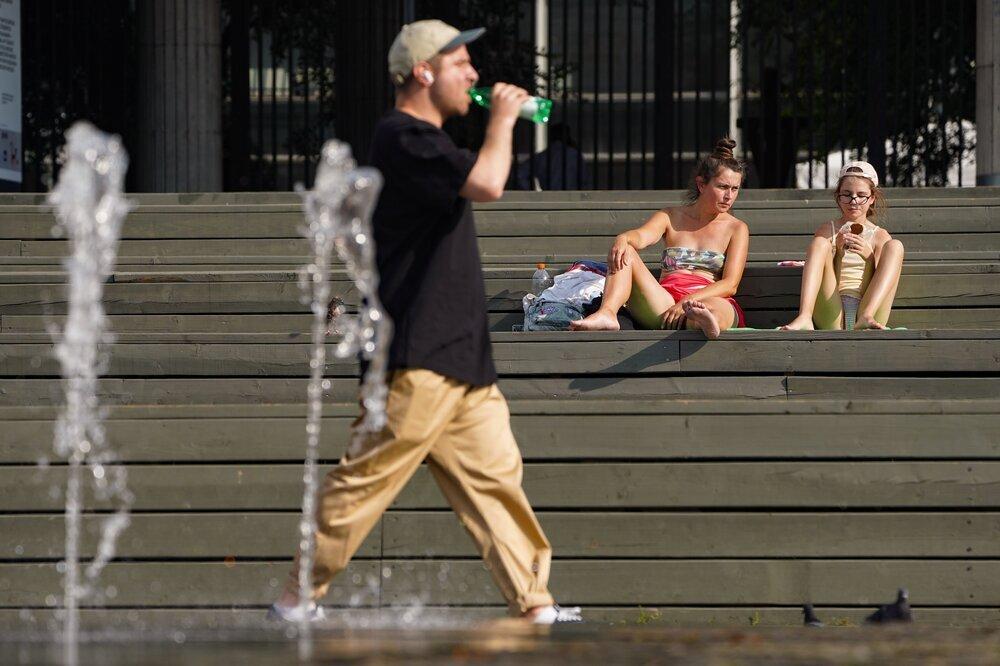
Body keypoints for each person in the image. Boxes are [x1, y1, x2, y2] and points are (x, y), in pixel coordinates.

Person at [270, 19, 580, 625]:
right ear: (423, 71)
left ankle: (535, 605)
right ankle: (295, 600)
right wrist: (502, 120)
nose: (474, 74)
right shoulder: (402, 137)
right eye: (461, 63)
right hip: (417, 355)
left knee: (497, 484)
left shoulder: (430, 143)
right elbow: (489, 182)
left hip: (463, 358)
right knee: (364, 481)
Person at [570, 138, 749, 339]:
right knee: (625, 250)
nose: (729, 196)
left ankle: (703, 321)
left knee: (715, 310)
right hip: (664, 302)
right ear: (701, 184)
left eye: (735, 189)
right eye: (723, 187)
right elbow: (640, 236)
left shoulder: (736, 227)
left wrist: (689, 300)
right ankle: (607, 313)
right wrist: (624, 237)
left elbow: (730, 284)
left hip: (707, 296)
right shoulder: (670, 216)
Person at [780, 161, 904, 330]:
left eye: (861, 195)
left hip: (869, 307)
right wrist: (837, 253)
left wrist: (868, 257)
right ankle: (804, 316)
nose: (854, 201)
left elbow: (880, 280)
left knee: (895, 246)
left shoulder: (880, 236)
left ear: (872, 198)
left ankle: (866, 316)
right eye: (847, 194)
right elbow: (828, 278)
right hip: (831, 308)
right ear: (838, 197)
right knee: (819, 243)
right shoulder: (827, 230)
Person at [515, 123, 590, 190]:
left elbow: (520, 175)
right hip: (572, 199)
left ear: (550, 137)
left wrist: (532, 193)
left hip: (548, 198)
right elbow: (584, 180)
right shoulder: (575, 155)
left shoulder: (541, 157)